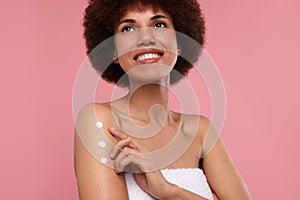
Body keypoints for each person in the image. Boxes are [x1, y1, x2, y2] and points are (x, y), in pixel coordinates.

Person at [74, 0, 252, 199]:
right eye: (128, 28)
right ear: (113, 52)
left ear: (180, 43)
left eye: (159, 25)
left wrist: (168, 191)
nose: (145, 38)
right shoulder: (99, 121)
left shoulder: (200, 131)